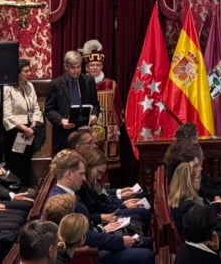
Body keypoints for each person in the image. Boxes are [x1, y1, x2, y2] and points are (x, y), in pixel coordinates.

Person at [48, 149, 154, 264]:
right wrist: (120, 241)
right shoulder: (61, 201)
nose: (84, 178)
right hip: (92, 251)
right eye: (81, 174)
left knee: (145, 241)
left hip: (98, 237)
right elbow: (84, 236)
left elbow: (89, 222)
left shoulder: (71, 192)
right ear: (68, 174)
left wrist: (103, 229)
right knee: (146, 255)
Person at [45, 50, 100, 154]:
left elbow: (95, 104)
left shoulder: (89, 81)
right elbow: (49, 110)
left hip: (85, 133)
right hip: (65, 134)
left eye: (78, 67)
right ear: (66, 67)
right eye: (73, 68)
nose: (76, 71)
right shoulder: (56, 84)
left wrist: (94, 115)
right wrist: (61, 120)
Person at [1, 58, 44, 187]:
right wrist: (24, 129)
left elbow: (36, 107)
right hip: (15, 131)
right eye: (25, 71)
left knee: (26, 161)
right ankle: (15, 188)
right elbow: (7, 115)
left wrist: (33, 124)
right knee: (15, 162)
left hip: (30, 129)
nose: (28, 73)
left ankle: (26, 187)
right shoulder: (7, 89)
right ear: (17, 73)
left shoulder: (29, 86)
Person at [82, 40, 124, 171]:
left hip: (109, 128)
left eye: (97, 65)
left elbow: (118, 107)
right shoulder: (81, 84)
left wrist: (118, 126)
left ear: (101, 67)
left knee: (106, 162)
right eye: (92, 65)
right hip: (88, 127)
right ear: (87, 68)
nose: (94, 67)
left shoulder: (111, 84)